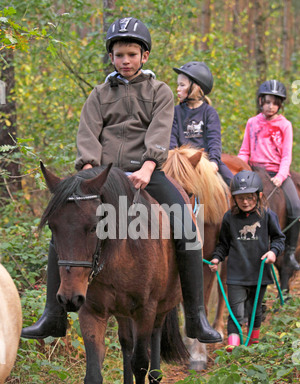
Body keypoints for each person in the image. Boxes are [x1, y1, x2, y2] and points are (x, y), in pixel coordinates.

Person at [22, 17, 222, 344]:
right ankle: (52, 315)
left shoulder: (159, 91)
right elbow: (88, 132)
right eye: (119, 55)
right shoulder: (99, 94)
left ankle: (195, 316)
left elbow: (160, 131)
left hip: (147, 171)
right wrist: (88, 165)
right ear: (111, 57)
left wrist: (147, 166)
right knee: (67, 220)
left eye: (131, 54)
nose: (125, 61)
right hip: (103, 175)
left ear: (144, 56)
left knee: (185, 222)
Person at [209, 170, 285, 350]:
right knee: (235, 313)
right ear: (233, 198)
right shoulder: (229, 218)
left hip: (259, 273)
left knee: (255, 312)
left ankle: (252, 345)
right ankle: (233, 346)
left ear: (258, 196)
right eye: (240, 198)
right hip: (235, 274)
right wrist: (216, 258)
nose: (245, 202)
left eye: (249, 197)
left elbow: (279, 238)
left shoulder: (267, 216)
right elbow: (223, 244)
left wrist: (273, 252)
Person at [238, 80, 300, 271]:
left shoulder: (285, 125)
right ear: (260, 101)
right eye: (266, 101)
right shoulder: (252, 122)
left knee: (295, 207)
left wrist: (281, 176)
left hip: (277, 172)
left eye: (274, 102)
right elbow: (244, 151)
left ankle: (289, 253)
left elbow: (286, 155)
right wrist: (241, 169)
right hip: (256, 171)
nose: (270, 106)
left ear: (280, 105)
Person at [169, 61, 233, 186]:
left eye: (182, 85)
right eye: (178, 85)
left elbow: (214, 139)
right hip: (182, 161)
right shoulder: (175, 112)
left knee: (233, 183)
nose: (177, 89)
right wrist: (173, 158)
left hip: (206, 160)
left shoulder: (209, 112)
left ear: (195, 87)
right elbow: (172, 138)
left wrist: (214, 161)